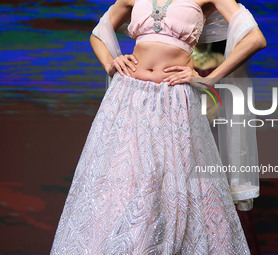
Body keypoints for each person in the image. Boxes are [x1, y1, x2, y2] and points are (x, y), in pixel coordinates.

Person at [49, 0, 266, 254]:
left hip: (173, 100)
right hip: (128, 96)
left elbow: (254, 38)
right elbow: (99, 32)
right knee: (124, 184)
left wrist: (210, 79)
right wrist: (110, 63)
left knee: (166, 184)